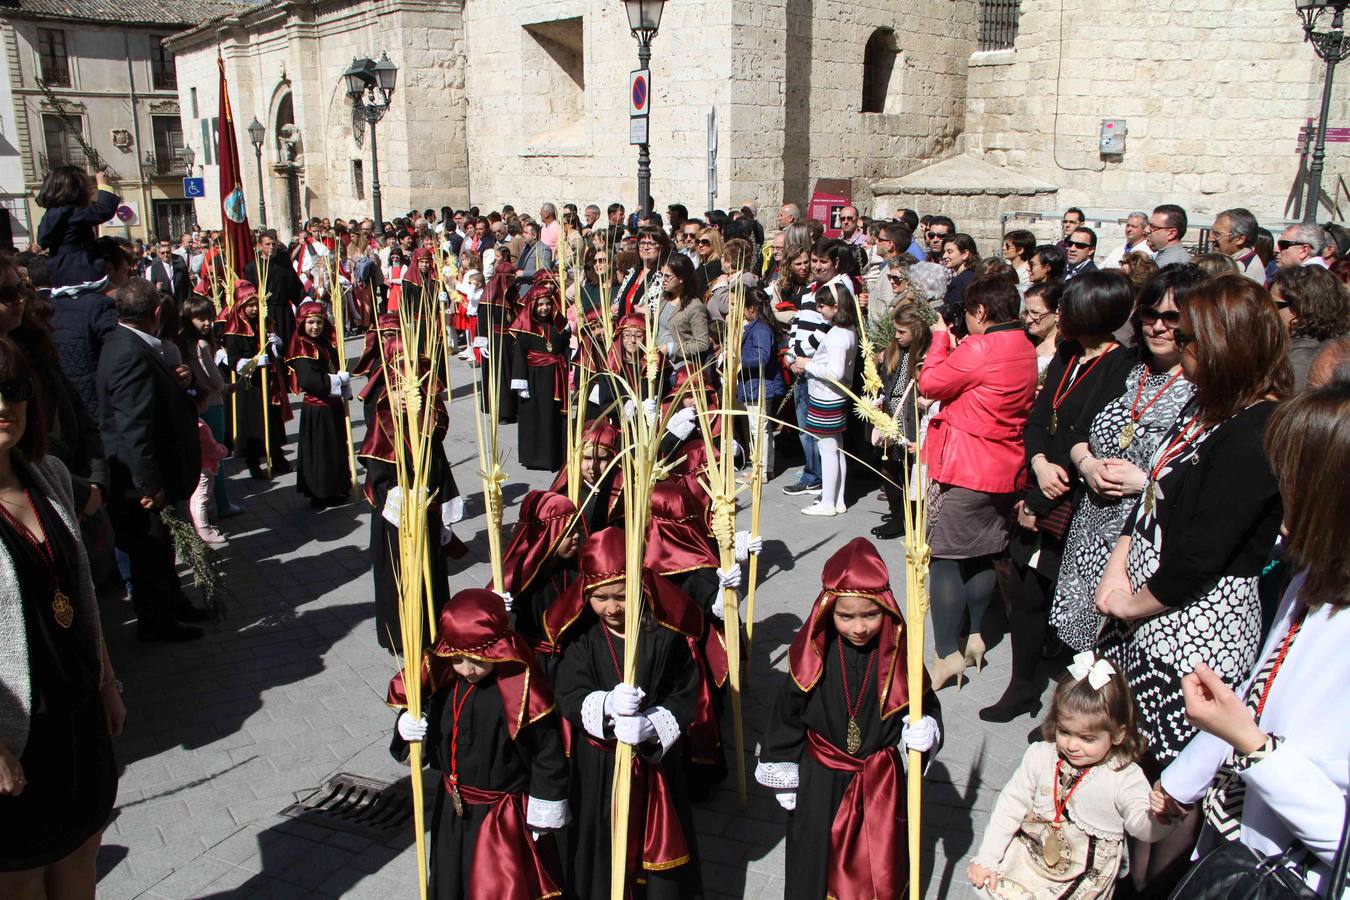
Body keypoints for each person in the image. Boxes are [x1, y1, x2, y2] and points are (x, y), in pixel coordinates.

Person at [1154, 383, 1350, 897]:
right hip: (1234, 843)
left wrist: (1253, 748)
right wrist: (1186, 777)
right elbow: (1262, 694)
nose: (1276, 490)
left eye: (1293, 479)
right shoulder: (1313, 577)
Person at [1094, 274, 1290, 773]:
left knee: (1156, 775)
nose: (1176, 348)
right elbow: (1152, 499)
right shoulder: (1205, 403)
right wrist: (1117, 568)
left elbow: (1202, 552)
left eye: (1185, 338)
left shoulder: (1258, 431)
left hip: (1189, 634)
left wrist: (1132, 606)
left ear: (1226, 344)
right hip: (1138, 609)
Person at [0, 336, 125, 898]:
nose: (4, 406)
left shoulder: (46, 474)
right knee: (22, 875)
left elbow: (80, 593)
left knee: (81, 853)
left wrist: (107, 683)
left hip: (76, 712)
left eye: (13, 389)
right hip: (16, 731)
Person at [986, 272, 1138, 722]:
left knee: (1072, 612)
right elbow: (1039, 419)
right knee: (1027, 596)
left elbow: (1092, 437)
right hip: (1040, 486)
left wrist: (1041, 502)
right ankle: (1021, 688)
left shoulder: (1122, 365)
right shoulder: (1069, 353)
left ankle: (1069, 710)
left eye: (1068, 308)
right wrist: (1035, 467)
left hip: (1073, 507)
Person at [756, 537, 941, 900]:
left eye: (870, 615)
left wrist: (926, 730)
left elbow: (925, 705)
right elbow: (786, 716)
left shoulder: (900, 657)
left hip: (879, 784)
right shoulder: (811, 655)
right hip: (819, 782)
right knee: (814, 865)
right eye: (846, 616)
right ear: (828, 611)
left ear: (886, 610)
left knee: (876, 871)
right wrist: (784, 773)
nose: (859, 627)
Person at [1044, 267, 1203, 665]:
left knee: (1123, 650)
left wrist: (1148, 481)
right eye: (1151, 315)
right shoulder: (1130, 368)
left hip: (1144, 539)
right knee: (1081, 645)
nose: (1159, 327)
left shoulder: (1205, 387)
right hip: (1091, 529)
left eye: (1172, 317)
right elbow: (1077, 430)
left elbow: (1205, 476)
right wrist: (1087, 464)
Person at [549, 527, 704, 900]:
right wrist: (603, 703)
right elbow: (568, 691)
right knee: (602, 843)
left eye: (621, 596)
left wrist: (652, 724)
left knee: (657, 841)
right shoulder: (581, 639)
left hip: (654, 766)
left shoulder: (664, 635)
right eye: (600, 598)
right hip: (598, 767)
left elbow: (686, 691)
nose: (612, 608)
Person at [387, 589, 569, 900]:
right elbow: (430, 734)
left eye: (476, 659)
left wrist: (545, 805)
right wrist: (407, 727)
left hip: (499, 816)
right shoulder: (445, 683)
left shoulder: (520, 693)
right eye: (457, 659)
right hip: (452, 809)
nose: (467, 669)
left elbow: (546, 753)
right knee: (449, 881)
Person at [968, 656, 1173, 898]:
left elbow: (1141, 826)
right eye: (1065, 732)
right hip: (1030, 861)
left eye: (1087, 738)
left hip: (1085, 879)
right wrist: (989, 857)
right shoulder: (1042, 755)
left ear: (1118, 735)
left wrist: (1160, 815)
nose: (1073, 745)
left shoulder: (1123, 776)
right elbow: (1010, 804)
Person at [918, 271, 1037, 690]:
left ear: (981, 312)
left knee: (946, 559)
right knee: (984, 554)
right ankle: (976, 639)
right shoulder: (1025, 345)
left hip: (968, 468)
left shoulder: (982, 346)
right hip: (1005, 469)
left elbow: (930, 383)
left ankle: (946, 654)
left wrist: (938, 342)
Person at [96, 278, 206, 641]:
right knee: (151, 555)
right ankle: (159, 623)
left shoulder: (132, 343)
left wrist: (182, 381)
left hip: (155, 472)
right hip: (142, 479)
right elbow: (134, 426)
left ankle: (175, 605)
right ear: (157, 313)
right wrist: (149, 484)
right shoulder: (128, 351)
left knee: (163, 549)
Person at [358, 331, 462, 656]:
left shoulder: (429, 414)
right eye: (401, 370)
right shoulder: (383, 415)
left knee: (430, 573)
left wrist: (443, 504)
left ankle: (431, 630)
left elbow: (439, 460)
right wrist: (397, 495)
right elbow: (376, 470)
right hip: (397, 516)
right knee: (399, 577)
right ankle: (401, 636)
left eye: (415, 371)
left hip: (427, 509)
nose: (409, 381)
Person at [794, 271, 857, 516]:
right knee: (835, 447)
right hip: (832, 396)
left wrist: (807, 364)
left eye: (823, 306)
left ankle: (829, 502)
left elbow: (836, 371)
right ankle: (837, 499)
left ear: (836, 306)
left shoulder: (838, 336)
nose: (819, 310)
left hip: (826, 396)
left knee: (827, 449)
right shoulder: (846, 330)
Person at [220, 281, 292, 479]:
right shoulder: (234, 329)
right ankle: (253, 462)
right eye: (249, 305)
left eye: (255, 304)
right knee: (253, 421)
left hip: (269, 379)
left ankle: (276, 455)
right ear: (241, 306)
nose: (253, 309)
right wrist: (253, 362)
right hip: (250, 384)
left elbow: (274, 349)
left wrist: (276, 345)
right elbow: (234, 360)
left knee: (272, 418)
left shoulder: (264, 322)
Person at [496, 490, 580, 657]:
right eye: (567, 533)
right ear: (547, 536)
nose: (576, 536)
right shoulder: (519, 576)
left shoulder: (574, 567)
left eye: (576, 528)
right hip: (534, 655)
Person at [873, 302, 931, 539]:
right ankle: (896, 513)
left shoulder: (924, 356)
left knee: (908, 470)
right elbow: (886, 384)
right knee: (889, 467)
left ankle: (907, 517)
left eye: (902, 332)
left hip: (910, 418)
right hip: (890, 414)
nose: (896, 336)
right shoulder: (894, 351)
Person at [287, 301, 352, 506]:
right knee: (322, 452)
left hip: (332, 405)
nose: (315, 327)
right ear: (302, 323)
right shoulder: (302, 347)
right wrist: (338, 380)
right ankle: (322, 493)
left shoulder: (324, 343)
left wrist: (343, 385)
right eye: (311, 323)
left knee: (334, 449)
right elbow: (310, 381)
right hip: (318, 408)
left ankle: (336, 488)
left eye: (319, 322)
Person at [508, 279, 569, 471]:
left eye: (548, 304)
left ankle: (555, 455)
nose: (544, 308)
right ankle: (535, 458)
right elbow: (519, 356)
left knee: (553, 417)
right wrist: (521, 383)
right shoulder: (525, 329)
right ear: (533, 306)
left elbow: (565, 350)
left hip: (555, 379)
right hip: (534, 380)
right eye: (540, 304)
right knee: (535, 417)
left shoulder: (559, 326)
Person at [35, 165, 121, 292]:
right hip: (78, 269)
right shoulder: (70, 212)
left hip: (63, 268)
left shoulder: (53, 213)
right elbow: (104, 210)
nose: (91, 190)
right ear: (75, 190)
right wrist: (103, 185)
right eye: (87, 186)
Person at [1269, 264, 1350, 389]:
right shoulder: (1342, 350)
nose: (1265, 311)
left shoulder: (1293, 369)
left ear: (1297, 311)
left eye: (1272, 304)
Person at [736, 287, 786, 483]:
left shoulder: (760, 329)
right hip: (757, 385)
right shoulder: (760, 327)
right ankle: (766, 467)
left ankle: (761, 470)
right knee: (762, 428)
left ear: (751, 309)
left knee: (759, 428)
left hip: (759, 385)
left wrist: (738, 358)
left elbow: (762, 356)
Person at [941, 233, 980, 305]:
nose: (944, 256)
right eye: (944, 252)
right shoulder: (977, 274)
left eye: (950, 252)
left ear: (965, 254)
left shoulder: (959, 282)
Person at [1147, 204, 1190, 268]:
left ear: (1171, 234)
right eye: (1148, 225)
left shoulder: (1171, 265)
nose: (1147, 230)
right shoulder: (1167, 256)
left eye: (1153, 227)